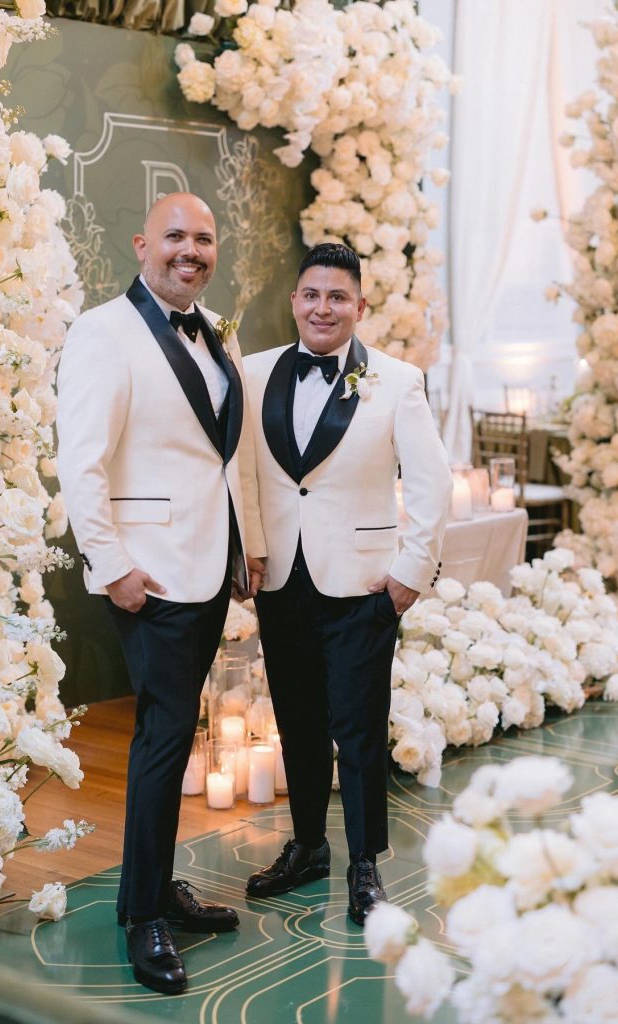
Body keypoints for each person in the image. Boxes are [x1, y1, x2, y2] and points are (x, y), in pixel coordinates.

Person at [56, 193, 265, 995]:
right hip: (147, 574)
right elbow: (81, 462)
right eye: (176, 236)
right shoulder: (101, 331)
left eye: (204, 239)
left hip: (207, 567)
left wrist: (246, 548)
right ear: (142, 243)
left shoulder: (215, 335)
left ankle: (153, 887)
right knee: (162, 739)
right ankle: (143, 912)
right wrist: (112, 567)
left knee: (175, 739)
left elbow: (222, 459)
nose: (192, 249)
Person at [242, 243, 451, 926]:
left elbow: (430, 484)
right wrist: (247, 550)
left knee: (358, 731)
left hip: (363, 587)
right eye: (311, 295)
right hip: (281, 581)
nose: (322, 308)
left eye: (337, 297)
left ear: (359, 307)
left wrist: (407, 577)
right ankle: (306, 847)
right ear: (294, 300)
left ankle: (364, 865)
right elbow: (241, 475)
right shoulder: (251, 374)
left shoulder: (396, 381)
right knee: (296, 723)